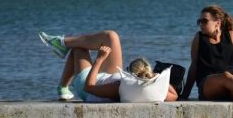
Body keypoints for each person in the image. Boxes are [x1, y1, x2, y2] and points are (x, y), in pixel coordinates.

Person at [39, 30, 177, 102]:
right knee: (111, 37)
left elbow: (89, 87)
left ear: (130, 73)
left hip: (88, 85)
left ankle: (63, 85)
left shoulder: (118, 87)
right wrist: (157, 79)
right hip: (109, 76)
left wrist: (99, 60)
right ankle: (62, 44)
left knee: (79, 49)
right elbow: (174, 96)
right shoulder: (155, 91)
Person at [182, 5, 233, 101]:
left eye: (204, 21)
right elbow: (194, 66)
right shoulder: (199, 38)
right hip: (207, 85)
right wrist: (185, 94)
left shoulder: (232, 36)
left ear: (217, 23)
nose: (201, 24)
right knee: (225, 76)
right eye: (199, 21)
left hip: (231, 82)